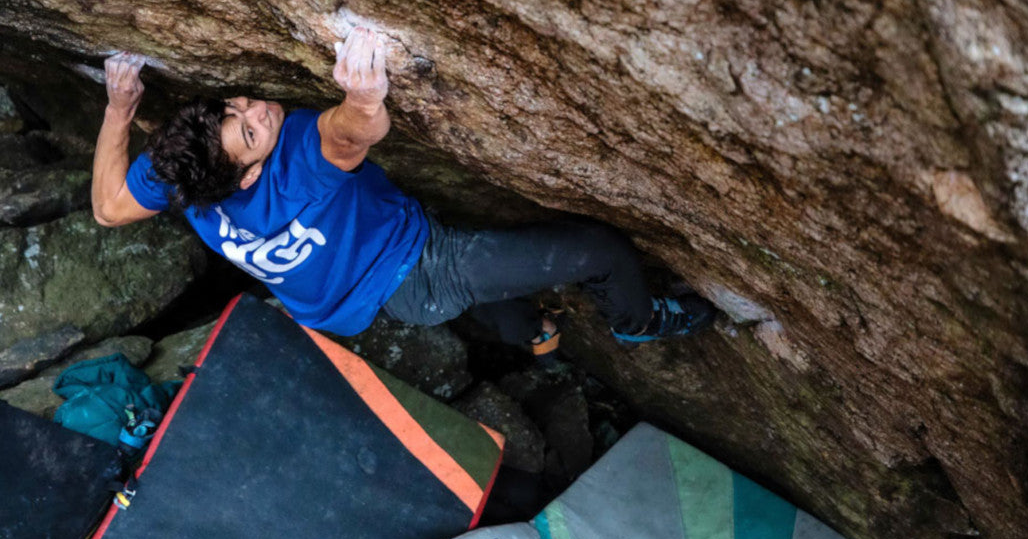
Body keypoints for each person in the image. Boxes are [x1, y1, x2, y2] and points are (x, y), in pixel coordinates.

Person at [90, 27, 713, 358]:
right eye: (253, 132)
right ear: (247, 175)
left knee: (479, 280)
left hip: (350, 295)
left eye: (240, 105)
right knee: (598, 251)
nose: (263, 110)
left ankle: (534, 333)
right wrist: (362, 95)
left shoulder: (184, 173)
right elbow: (350, 134)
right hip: (421, 270)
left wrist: (120, 108)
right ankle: (639, 322)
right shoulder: (297, 158)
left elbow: (108, 208)